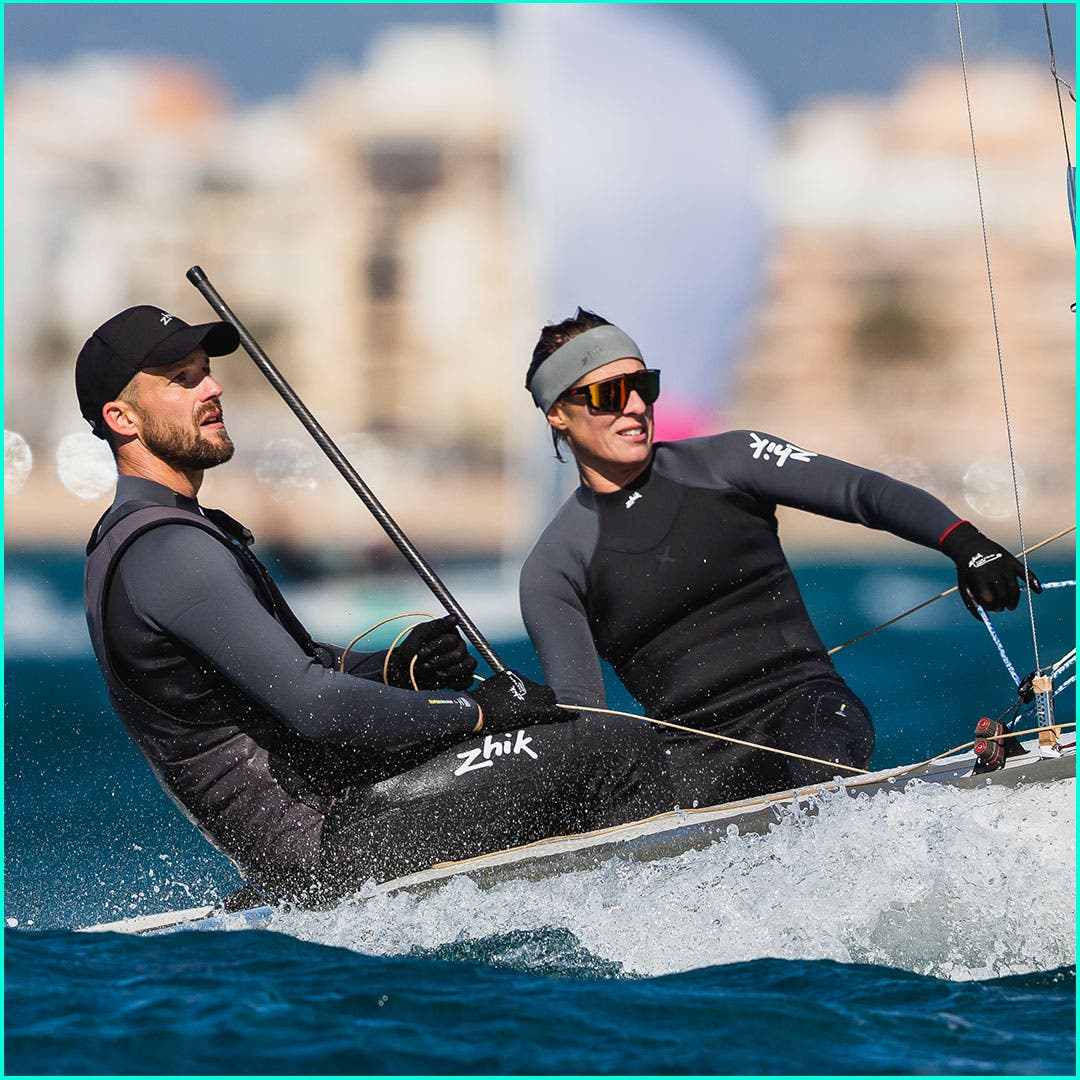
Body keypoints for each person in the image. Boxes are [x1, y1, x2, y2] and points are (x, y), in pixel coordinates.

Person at [78, 304, 677, 907]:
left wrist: (397, 667)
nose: (211, 388)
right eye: (181, 380)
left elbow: (294, 668)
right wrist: (475, 713)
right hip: (334, 843)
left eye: (205, 370)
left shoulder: (152, 533)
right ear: (121, 418)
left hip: (342, 817)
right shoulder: (170, 549)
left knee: (572, 735)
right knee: (603, 745)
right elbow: (314, 705)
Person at [520, 308, 1042, 808]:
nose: (634, 405)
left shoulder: (728, 461)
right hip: (691, 763)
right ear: (558, 413)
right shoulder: (554, 569)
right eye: (609, 394)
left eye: (644, 386)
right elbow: (586, 721)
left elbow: (861, 493)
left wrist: (963, 542)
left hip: (806, 710)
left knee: (814, 754)